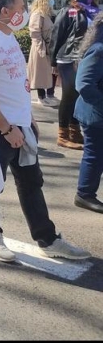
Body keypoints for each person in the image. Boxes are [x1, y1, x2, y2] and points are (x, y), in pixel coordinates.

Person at [0, 0, 90, 263]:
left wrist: (27, 118)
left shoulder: (8, 38)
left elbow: (14, 84)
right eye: (20, 7)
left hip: (20, 124)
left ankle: (47, 238)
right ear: (5, 12)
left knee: (31, 182)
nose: (25, 13)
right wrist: (6, 129)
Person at [52, 0, 96, 150]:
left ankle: (75, 131)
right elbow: (57, 35)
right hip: (69, 58)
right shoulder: (68, 11)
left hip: (87, 59)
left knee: (79, 95)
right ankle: (62, 134)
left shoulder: (94, 12)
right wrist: (53, 62)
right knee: (69, 95)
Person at [73, 13, 103, 213]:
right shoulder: (99, 50)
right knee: (94, 155)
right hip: (95, 115)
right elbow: (83, 84)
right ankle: (84, 194)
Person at [27, 0, 59, 107]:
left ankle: (49, 94)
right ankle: (41, 96)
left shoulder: (49, 14)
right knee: (40, 73)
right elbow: (35, 33)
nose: (51, 1)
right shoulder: (37, 14)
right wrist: (42, 49)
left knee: (50, 72)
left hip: (50, 47)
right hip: (41, 48)